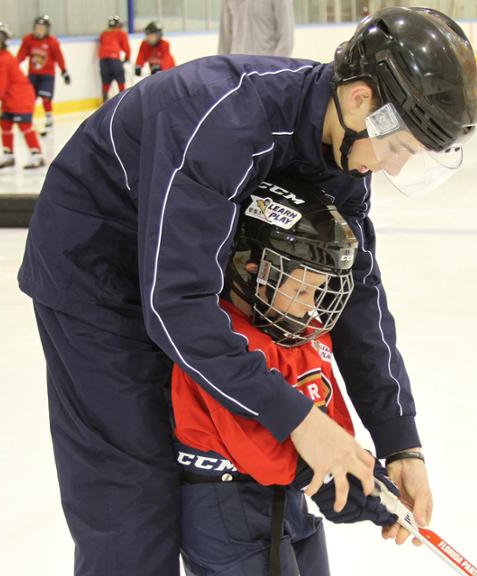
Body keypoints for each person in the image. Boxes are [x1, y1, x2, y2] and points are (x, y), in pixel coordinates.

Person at [17, 7, 477, 576]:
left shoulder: (343, 156)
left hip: (188, 269)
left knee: (222, 462)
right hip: (96, 274)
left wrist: (399, 439)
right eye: (400, 148)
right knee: (133, 499)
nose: (393, 167)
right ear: (360, 100)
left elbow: (357, 293)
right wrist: (301, 420)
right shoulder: (223, 123)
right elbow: (176, 307)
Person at [175, 174, 412, 575]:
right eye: (302, 291)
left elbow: (326, 414)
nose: (310, 306)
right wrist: (325, 476)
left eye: (317, 291)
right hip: (226, 510)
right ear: (255, 272)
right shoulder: (220, 346)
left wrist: (364, 474)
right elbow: (252, 442)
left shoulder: (302, 332)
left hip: (290, 501)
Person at [0, 22, 44, 170]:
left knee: (25, 126)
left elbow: (1, 84)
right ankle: (8, 155)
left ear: (1, 40)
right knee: (5, 123)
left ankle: (37, 155)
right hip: (8, 98)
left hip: (21, 97)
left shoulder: (5, 59)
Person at [16, 15, 70, 135]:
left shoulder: (52, 42)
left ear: (47, 29)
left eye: (42, 28)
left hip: (47, 75)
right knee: (30, 98)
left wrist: (64, 71)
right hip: (33, 75)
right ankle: (28, 118)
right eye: (37, 28)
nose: (39, 30)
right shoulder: (28, 40)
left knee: (45, 97)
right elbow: (21, 55)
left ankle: (49, 117)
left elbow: (59, 57)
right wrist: (13, 66)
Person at [218, 0, 294, 57]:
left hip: (265, 66)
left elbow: (286, 38)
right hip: (237, 66)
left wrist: (274, 68)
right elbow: (225, 38)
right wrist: (222, 67)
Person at [98, 15, 131, 102]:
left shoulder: (103, 34)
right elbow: (127, 48)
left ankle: (104, 100)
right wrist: (127, 58)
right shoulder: (121, 33)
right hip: (115, 59)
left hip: (103, 60)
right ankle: (123, 100)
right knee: (120, 79)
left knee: (106, 80)